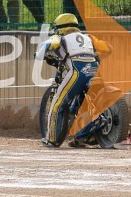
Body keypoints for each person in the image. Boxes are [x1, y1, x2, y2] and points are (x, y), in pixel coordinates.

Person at [36, 13, 110, 148]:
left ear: (60, 27)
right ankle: (84, 136)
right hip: (94, 70)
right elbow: (107, 49)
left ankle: (51, 139)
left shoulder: (60, 37)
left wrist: (39, 54)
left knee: (58, 104)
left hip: (77, 71)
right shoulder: (88, 37)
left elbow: (48, 45)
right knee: (85, 103)